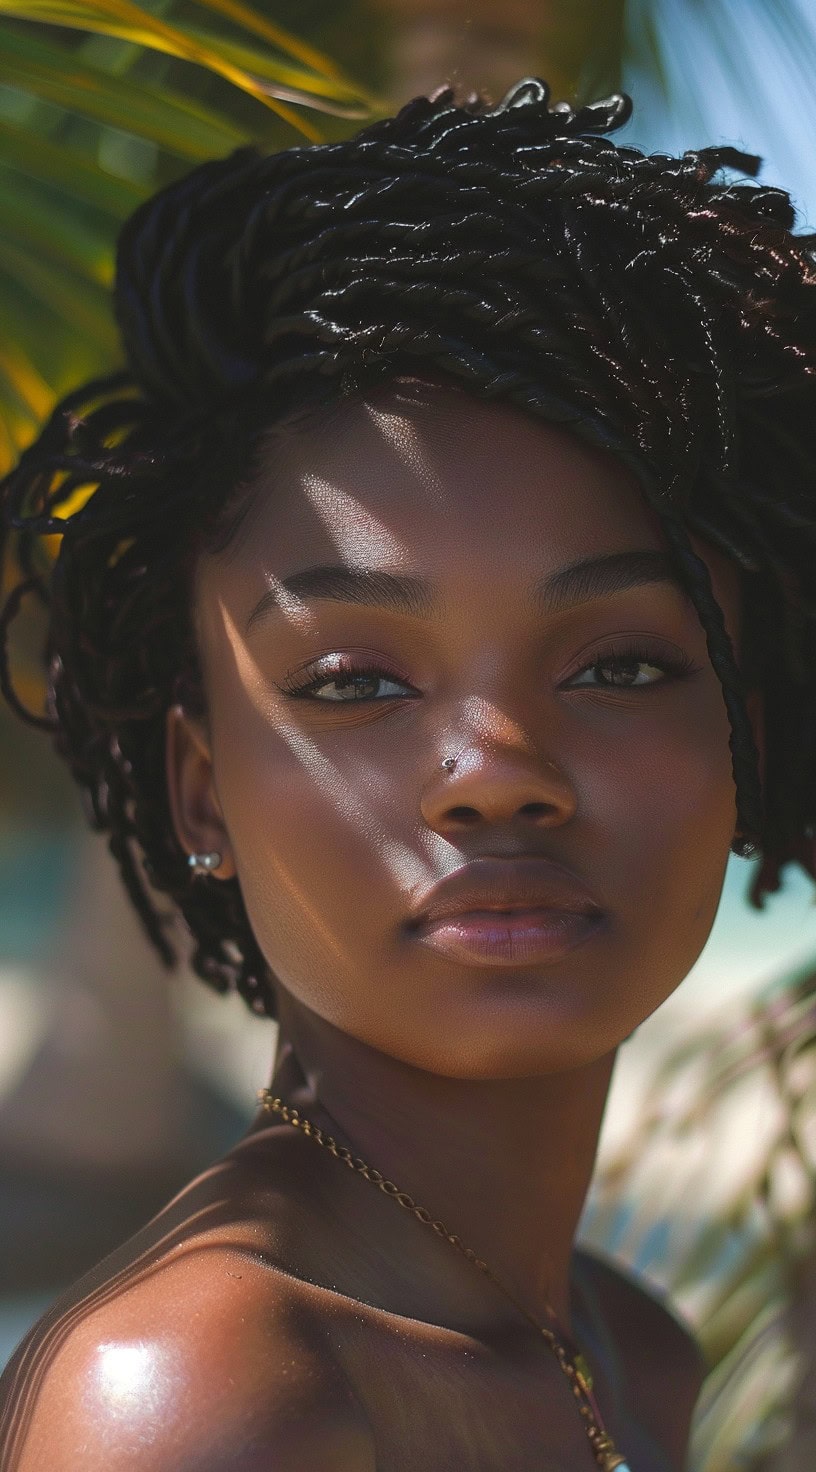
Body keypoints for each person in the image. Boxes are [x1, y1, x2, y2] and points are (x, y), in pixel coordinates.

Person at [0, 76, 814, 1471]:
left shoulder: (632, 1351)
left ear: (749, 727)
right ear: (203, 793)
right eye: (357, 682)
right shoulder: (202, 1404)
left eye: (619, 664)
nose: (495, 774)